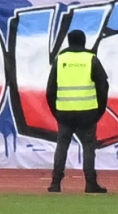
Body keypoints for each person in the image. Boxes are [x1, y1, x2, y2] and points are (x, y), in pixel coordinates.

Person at [44, 29, 108, 194]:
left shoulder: (60, 59)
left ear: (69, 41)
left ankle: (55, 183)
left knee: (62, 145)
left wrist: (56, 111)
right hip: (88, 112)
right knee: (88, 146)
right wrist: (99, 110)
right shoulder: (91, 59)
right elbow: (103, 86)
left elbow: (50, 89)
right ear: (84, 41)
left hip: (64, 111)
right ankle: (90, 183)